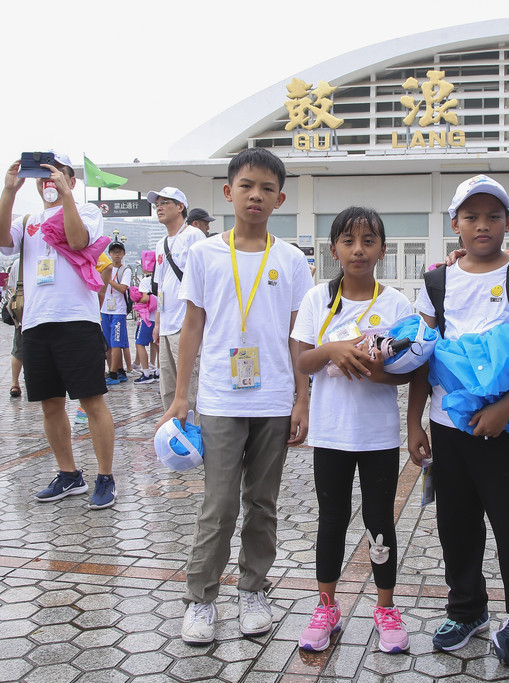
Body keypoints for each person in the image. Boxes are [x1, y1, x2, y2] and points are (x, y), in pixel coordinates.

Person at [158, 148, 312, 646]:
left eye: (267, 188)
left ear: (280, 198)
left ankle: (253, 589)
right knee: (219, 504)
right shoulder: (204, 253)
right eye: (247, 185)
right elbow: (192, 325)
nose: (256, 195)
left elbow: (298, 335)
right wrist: (182, 395)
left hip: (272, 401)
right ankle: (200, 600)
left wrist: (301, 400)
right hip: (221, 400)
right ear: (229, 192)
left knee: (262, 503)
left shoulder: (289, 259)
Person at [407, 175, 509, 667]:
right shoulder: (437, 281)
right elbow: (422, 357)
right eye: (471, 216)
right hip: (449, 428)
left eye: (493, 216)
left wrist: (505, 408)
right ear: (455, 225)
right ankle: (467, 609)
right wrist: (415, 423)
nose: (482, 225)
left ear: (508, 222)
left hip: (503, 430)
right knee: (456, 525)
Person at [291, 207, 414, 654]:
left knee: (380, 519)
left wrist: (372, 369)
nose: (358, 250)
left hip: (378, 434)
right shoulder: (316, 300)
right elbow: (302, 362)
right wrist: (333, 350)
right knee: (332, 518)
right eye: (348, 241)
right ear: (333, 250)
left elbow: (408, 373)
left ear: (382, 248)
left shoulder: (396, 303)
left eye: (368, 240)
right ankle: (326, 606)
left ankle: (386, 607)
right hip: (330, 434)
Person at [0, 152, 118, 509]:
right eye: (42, 176)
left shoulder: (87, 211)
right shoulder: (27, 220)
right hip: (35, 322)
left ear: (70, 181)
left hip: (77, 320)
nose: (48, 181)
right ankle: (68, 474)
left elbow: (77, 241)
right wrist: (8, 191)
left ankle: (105, 477)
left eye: (56, 174)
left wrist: (67, 198)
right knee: (49, 403)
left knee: (91, 400)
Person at [150, 186, 205, 414]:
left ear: (180, 207)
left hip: (187, 325)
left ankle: (196, 439)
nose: (159, 208)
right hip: (167, 326)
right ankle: (175, 436)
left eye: (165, 203)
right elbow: (161, 286)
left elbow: (203, 280)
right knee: (168, 389)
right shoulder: (160, 244)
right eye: (157, 204)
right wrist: (157, 322)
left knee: (191, 388)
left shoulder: (193, 236)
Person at [101, 241, 132, 386]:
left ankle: (112, 373)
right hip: (105, 310)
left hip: (118, 311)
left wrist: (108, 280)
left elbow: (122, 288)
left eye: (119, 252)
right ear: (110, 254)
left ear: (124, 254)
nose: (117, 255)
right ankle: (119, 370)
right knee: (108, 343)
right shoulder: (105, 268)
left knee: (116, 343)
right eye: (114, 252)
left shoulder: (125, 270)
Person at [132, 252, 159, 385]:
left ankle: (146, 372)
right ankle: (158, 371)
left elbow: (145, 298)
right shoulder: (160, 279)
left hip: (147, 318)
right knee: (157, 344)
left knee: (140, 343)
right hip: (159, 318)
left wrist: (137, 302)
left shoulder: (145, 281)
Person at [6, 256, 24, 398]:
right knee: (19, 349)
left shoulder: (18, 262)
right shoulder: (20, 262)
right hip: (29, 312)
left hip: (22, 311)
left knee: (18, 349)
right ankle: (15, 382)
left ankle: (15, 383)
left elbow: (13, 288)